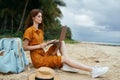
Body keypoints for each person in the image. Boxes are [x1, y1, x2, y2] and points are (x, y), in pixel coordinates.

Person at [23, 9, 109, 78]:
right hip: (38, 61)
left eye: (41, 16)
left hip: (43, 55)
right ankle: (93, 70)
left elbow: (40, 45)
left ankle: (66, 64)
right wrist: (40, 45)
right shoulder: (29, 31)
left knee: (61, 43)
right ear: (33, 18)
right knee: (63, 58)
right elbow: (25, 47)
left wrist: (49, 43)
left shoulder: (40, 31)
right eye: (38, 16)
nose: (41, 18)